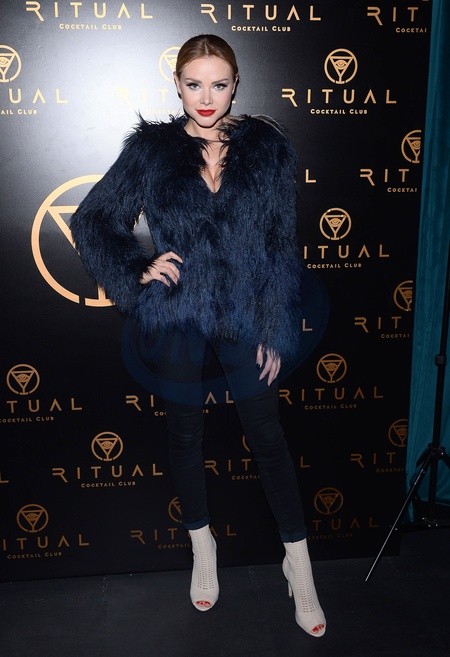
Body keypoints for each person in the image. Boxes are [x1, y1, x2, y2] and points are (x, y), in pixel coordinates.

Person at [70, 34, 326, 637]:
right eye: (193, 84)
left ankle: (299, 568)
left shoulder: (266, 148)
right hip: (177, 313)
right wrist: (137, 269)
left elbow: (280, 245)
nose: (206, 97)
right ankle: (202, 549)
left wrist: (274, 324)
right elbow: (91, 219)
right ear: (177, 85)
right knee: (184, 435)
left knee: (268, 437)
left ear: (235, 86)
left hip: (245, 312)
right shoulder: (152, 151)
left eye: (218, 84)